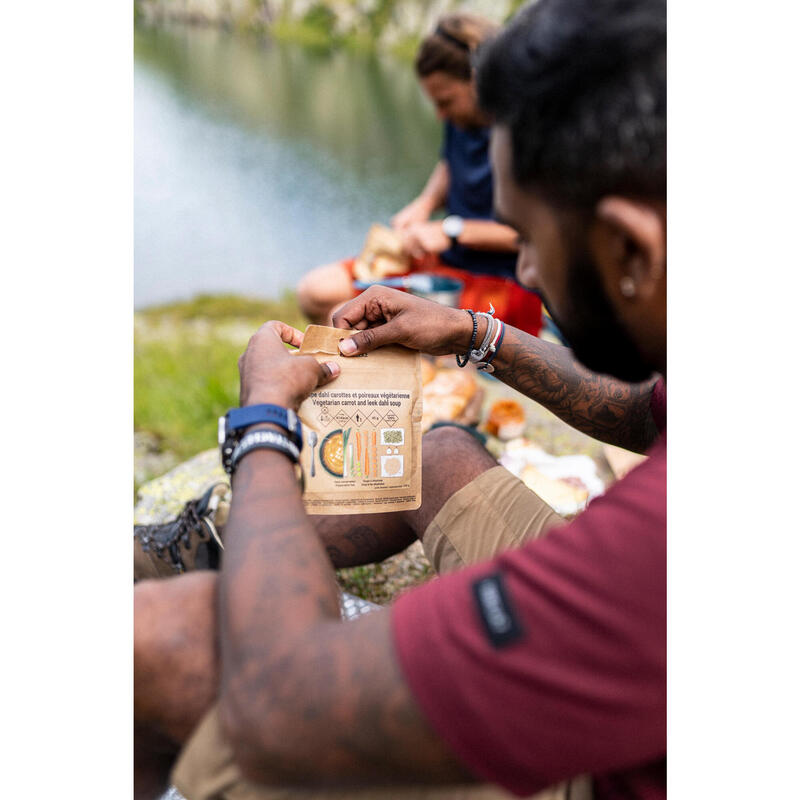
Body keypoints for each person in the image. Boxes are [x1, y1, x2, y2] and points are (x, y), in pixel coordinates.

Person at [134, 1, 666, 799]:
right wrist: (469, 332)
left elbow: (284, 707)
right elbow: (646, 413)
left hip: (594, 769)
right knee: (439, 448)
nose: (523, 272)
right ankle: (217, 538)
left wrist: (263, 423)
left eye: (527, 236)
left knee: (161, 639)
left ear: (630, 248)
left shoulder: (651, 551)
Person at [296, 12, 543, 336]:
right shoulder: (464, 118)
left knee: (340, 319)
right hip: (448, 263)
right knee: (314, 291)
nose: (441, 115)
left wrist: (453, 230)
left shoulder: (529, 126)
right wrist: (425, 203)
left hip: (502, 281)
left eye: (446, 101)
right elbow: (450, 164)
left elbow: (539, 232)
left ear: (478, 78)